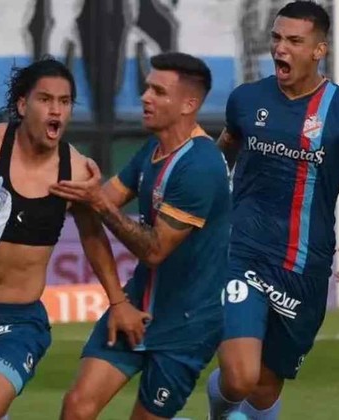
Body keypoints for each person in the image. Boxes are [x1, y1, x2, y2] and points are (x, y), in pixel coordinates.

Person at [206, 2, 339, 418]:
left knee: (263, 389)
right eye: (276, 38)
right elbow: (220, 159)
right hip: (242, 253)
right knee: (239, 376)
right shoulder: (246, 100)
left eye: (294, 41)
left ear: (319, 50)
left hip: (304, 268)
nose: (280, 49)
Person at [0, 58, 127, 420]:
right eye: (46, 99)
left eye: (64, 101)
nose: (56, 110)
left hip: (19, 320)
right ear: (22, 104)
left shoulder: (76, 170)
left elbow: (93, 237)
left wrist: (118, 301)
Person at [56, 52, 231, 420]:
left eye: (158, 91)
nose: (145, 97)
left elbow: (154, 250)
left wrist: (96, 202)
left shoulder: (201, 165)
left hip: (188, 324)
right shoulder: (152, 150)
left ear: (188, 104)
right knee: (76, 408)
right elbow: (99, 200)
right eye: (147, 88)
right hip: (134, 306)